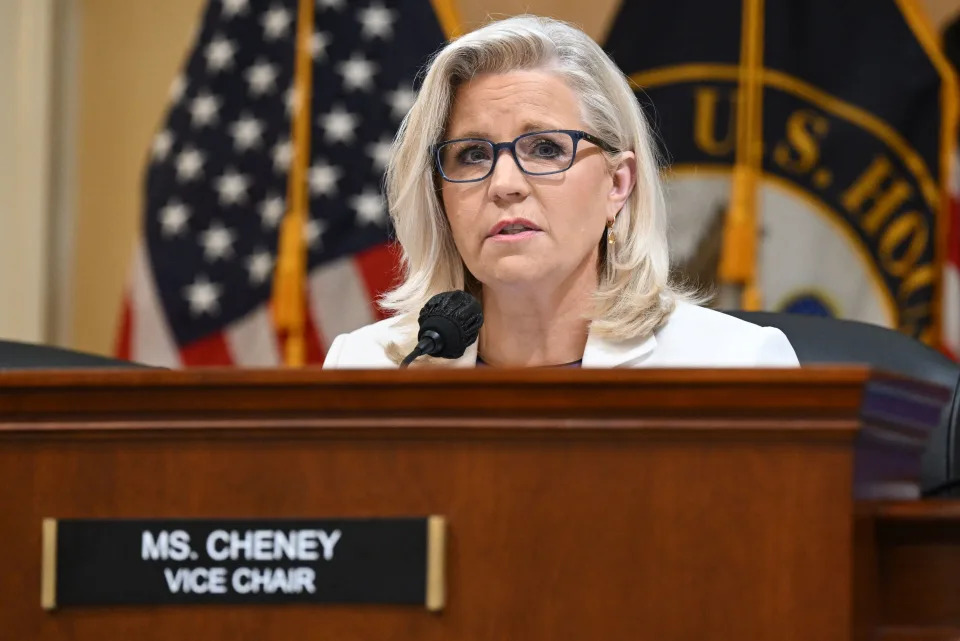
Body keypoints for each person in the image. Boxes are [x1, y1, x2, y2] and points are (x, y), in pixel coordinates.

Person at [323, 15, 798, 369]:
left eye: (546, 148)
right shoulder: (367, 368)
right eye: (472, 155)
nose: (504, 185)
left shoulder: (735, 365)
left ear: (618, 184)